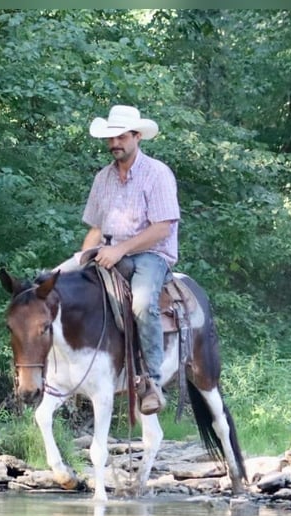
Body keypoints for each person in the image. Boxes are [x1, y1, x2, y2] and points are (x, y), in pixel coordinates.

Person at [76, 104, 180, 415]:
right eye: (110, 138)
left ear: (137, 136)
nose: (114, 144)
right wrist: (79, 261)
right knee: (70, 291)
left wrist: (121, 250)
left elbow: (162, 227)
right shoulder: (103, 178)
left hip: (151, 254)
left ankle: (151, 382)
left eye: (120, 137)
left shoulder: (157, 174)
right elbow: (96, 227)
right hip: (107, 251)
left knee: (141, 302)